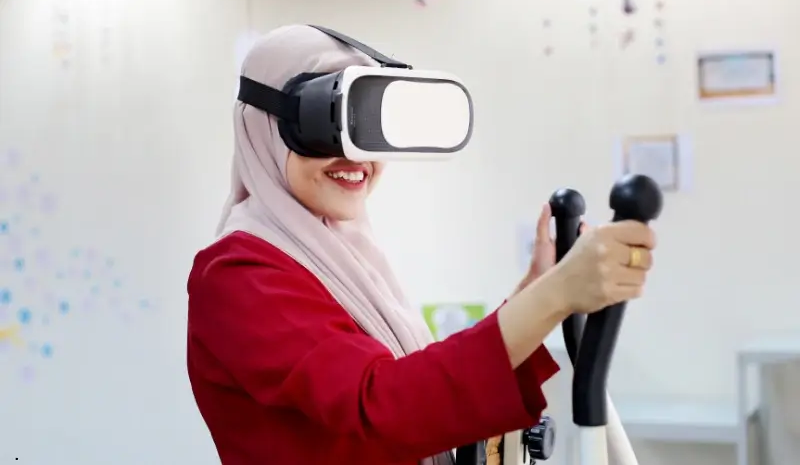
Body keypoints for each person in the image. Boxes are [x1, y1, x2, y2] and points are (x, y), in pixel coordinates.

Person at [186, 25, 656, 465]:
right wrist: (552, 297)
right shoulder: (237, 274)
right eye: (321, 125)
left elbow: (425, 392)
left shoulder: (342, 258)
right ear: (263, 129)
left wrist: (541, 292)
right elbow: (379, 406)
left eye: (367, 128)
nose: (355, 156)